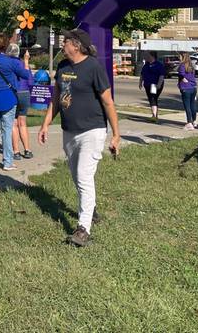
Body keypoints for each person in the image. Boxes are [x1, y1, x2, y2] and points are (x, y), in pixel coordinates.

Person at [37, 28, 121, 247]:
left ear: (76, 45)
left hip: (92, 130)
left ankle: (83, 229)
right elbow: (56, 99)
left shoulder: (93, 67)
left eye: (65, 41)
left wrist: (116, 134)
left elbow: (108, 102)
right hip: (69, 130)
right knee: (76, 176)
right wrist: (45, 124)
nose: (62, 44)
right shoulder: (63, 67)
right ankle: (90, 209)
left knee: (84, 175)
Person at [0, 33, 30, 170]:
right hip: (9, 98)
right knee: (7, 130)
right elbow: (26, 75)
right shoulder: (11, 62)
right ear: (6, 46)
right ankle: (8, 161)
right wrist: (26, 62)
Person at [8, 44, 34, 160]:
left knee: (13, 123)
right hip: (24, 93)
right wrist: (26, 62)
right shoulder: (23, 64)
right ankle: (27, 149)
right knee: (23, 122)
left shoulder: (7, 64)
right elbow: (30, 81)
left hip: (13, 93)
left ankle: (16, 151)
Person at [139, 51, 166, 122]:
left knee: (153, 99)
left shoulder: (158, 65)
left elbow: (161, 75)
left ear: (152, 56)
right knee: (151, 99)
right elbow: (142, 74)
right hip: (147, 85)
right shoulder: (146, 65)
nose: (146, 57)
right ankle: (154, 115)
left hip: (154, 85)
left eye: (147, 56)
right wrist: (140, 82)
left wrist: (159, 85)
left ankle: (154, 116)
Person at [177, 52, 198, 130]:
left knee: (187, 106)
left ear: (183, 57)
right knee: (193, 105)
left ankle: (189, 123)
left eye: (179, 56)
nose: (178, 58)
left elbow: (181, 74)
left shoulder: (182, 65)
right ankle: (194, 121)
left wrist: (183, 79)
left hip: (186, 88)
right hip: (193, 88)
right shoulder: (191, 65)